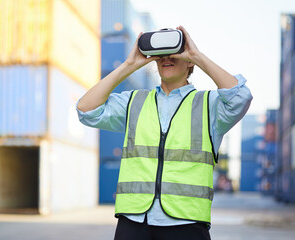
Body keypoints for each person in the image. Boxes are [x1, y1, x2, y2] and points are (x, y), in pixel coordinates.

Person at [77, 26, 252, 240]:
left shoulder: (210, 105)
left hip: (187, 224)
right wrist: (129, 65)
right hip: (134, 221)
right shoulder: (134, 101)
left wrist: (196, 55)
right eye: (161, 54)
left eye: (175, 52)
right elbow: (86, 110)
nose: (166, 58)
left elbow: (241, 97)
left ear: (190, 61)